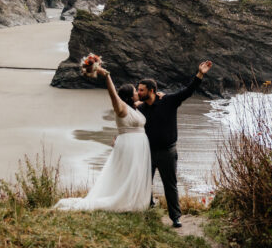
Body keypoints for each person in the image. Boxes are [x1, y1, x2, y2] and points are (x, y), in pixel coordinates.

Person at [53, 62, 150, 212]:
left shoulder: (134, 107)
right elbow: (113, 95)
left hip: (136, 146)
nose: (138, 92)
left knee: (134, 173)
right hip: (129, 146)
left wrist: (160, 96)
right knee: (128, 173)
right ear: (130, 95)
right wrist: (107, 76)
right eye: (135, 91)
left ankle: (132, 200)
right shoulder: (121, 107)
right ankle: (124, 201)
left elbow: (149, 101)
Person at [137, 60, 212, 228]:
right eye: (138, 90)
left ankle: (175, 217)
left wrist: (200, 74)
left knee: (170, 185)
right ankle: (149, 210)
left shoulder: (168, 101)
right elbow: (126, 103)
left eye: (141, 90)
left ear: (152, 91)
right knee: (143, 183)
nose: (138, 92)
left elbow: (188, 91)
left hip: (167, 152)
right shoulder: (140, 109)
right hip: (147, 151)